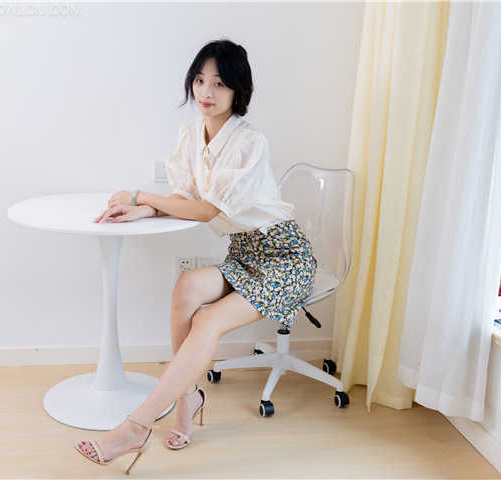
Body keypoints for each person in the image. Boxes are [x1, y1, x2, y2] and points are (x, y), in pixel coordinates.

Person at [75, 39, 318, 473]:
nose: (206, 91)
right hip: (245, 253)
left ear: (238, 90)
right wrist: (142, 210)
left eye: (219, 83)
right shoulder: (191, 135)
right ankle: (188, 399)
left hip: (285, 258)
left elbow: (207, 210)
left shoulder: (250, 142)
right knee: (186, 287)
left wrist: (140, 195)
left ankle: (136, 427)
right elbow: (185, 198)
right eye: (200, 80)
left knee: (207, 320)